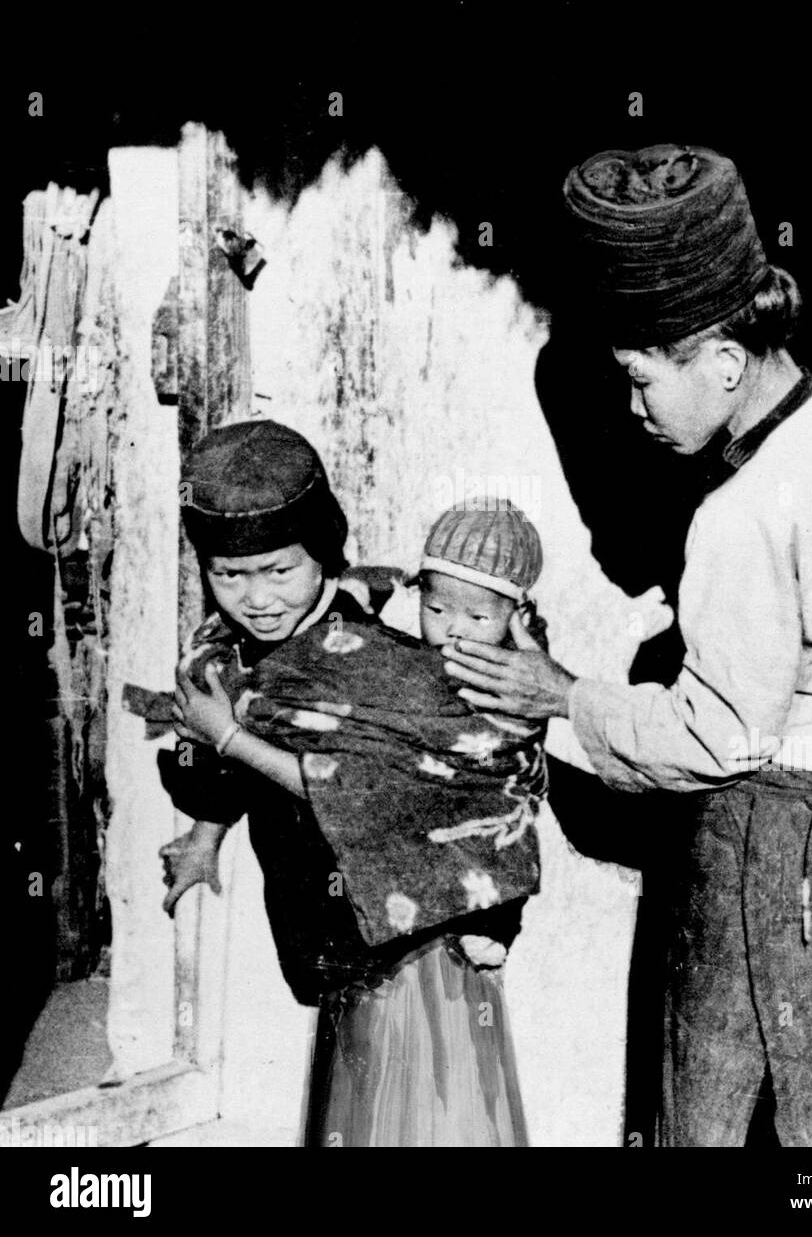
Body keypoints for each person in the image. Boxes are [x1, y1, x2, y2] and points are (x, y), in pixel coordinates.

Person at [442, 142, 812, 1147]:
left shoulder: (736, 516)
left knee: (710, 1104)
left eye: (640, 381)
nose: (634, 410)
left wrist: (558, 693)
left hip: (773, 853)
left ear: (724, 362)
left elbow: (712, 739)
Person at [140, 420, 546, 1146]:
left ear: (324, 556)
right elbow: (228, 766)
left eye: (279, 572)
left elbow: (367, 783)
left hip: (414, 930)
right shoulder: (231, 653)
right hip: (327, 920)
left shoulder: (371, 659)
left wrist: (227, 732)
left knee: (422, 1098)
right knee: (357, 1093)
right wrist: (202, 839)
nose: (255, 598)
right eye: (228, 576)